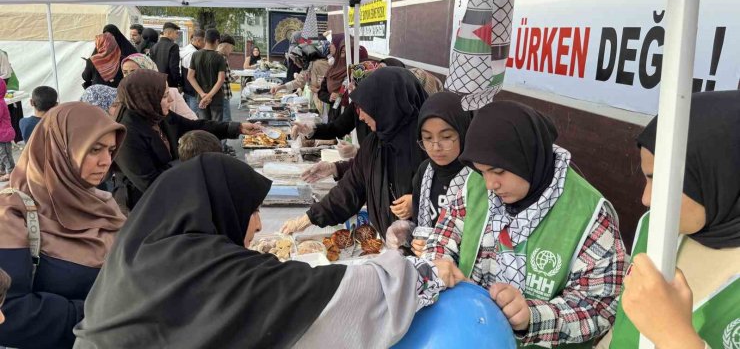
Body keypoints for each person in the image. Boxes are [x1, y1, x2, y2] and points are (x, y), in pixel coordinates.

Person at [72, 153, 464, 348]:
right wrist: (421, 274)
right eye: (252, 211)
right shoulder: (213, 271)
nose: (259, 224)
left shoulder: (140, 250)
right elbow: (329, 296)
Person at [422, 100, 626, 347]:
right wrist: (439, 262)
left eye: (498, 171)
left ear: (526, 158)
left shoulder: (589, 214)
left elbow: (600, 307)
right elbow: (443, 235)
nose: (490, 184)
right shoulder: (474, 185)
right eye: (482, 171)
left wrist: (532, 317)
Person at [602, 90, 740, 349]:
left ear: (720, 175)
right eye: (647, 178)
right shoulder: (654, 227)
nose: (646, 198)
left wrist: (674, 335)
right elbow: (623, 327)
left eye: (659, 180)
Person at [0, 102, 126, 348]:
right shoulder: (11, 215)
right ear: (57, 149)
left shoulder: (102, 203)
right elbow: (11, 312)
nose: (106, 161)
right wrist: (105, 314)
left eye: (111, 150)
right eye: (94, 149)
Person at [282, 67, 428, 238]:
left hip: (421, 251)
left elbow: (447, 198)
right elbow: (351, 188)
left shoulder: (426, 145)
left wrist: (417, 201)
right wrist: (308, 218)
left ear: (385, 104)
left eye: (365, 108)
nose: (360, 117)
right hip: (390, 243)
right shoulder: (375, 143)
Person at [114, 70, 261, 209]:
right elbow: (149, 183)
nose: (171, 99)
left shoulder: (155, 115)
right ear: (146, 98)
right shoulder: (127, 134)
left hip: (171, 194)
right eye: (165, 96)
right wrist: (193, 166)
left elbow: (194, 126)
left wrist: (238, 128)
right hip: (141, 206)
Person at [404, 92, 472, 256]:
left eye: (446, 137)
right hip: (427, 268)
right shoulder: (425, 171)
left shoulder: (477, 178)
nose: (435, 147)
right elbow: (419, 222)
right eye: (427, 138)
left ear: (463, 133)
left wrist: (439, 249)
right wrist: (411, 237)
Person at [121, 53, 197, 120]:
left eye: (133, 72)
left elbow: (191, 120)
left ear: (148, 71)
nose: (128, 76)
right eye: (125, 72)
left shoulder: (171, 94)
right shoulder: (122, 97)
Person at [188, 28, 227, 121]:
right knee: (217, 127)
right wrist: (209, 96)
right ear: (217, 41)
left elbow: (190, 76)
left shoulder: (195, 55)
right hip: (216, 97)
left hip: (200, 97)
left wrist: (203, 95)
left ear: (205, 40)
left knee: (204, 125)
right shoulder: (220, 57)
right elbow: (221, 79)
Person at [81, 24, 138, 89]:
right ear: (114, 43)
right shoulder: (123, 59)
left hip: (97, 93)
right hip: (118, 92)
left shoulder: (92, 60)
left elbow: (86, 77)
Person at [149, 22, 182, 88]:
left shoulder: (154, 46)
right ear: (169, 33)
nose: (177, 36)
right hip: (169, 83)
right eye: (176, 33)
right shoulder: (173, 46)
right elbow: (174, 67)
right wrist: (178, 82)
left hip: (156, 82)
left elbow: (151, 66)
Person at [180, 30, 205, 112]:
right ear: (198, 41)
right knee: (194, 117)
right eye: (204, 42)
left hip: (186, 88)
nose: (205, 45)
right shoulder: (193, 54)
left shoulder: (185, 50)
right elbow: (194, 74)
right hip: (194, 91)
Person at [216, 34, 236, 123]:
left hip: (217, 92)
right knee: (226, 119)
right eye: (231, 47)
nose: (232, 50)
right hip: (224, 92)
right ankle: (224, 136)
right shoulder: (223, 58)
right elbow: (226, 77)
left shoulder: (214, 55)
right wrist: (234, 78)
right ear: (226, 46)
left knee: (218, 118)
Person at [0, 80, 15, 181]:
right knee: (1, 153)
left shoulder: (0, 103)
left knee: (6, 154)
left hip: (4, 134)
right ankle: (2, 170)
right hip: (1, 134)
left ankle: (11, 172)